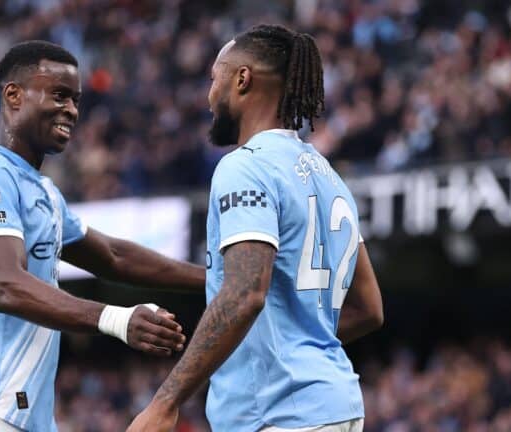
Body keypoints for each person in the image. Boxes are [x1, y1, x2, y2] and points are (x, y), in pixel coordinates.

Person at [0, 40, 205, 432]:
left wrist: (216, 278)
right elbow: (5, 285)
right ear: (13, 95)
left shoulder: (43, 191)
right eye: (59, 95)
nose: (71, 110)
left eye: (75, 99)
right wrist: (117, 319)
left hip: (27, 418)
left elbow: (113, 256)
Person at [128, 24, 384, 432]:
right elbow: (369, 309)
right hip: (337, 405)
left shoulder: (245, 166)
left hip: (281, 415)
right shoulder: (330, 176)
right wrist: (297, 343)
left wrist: (164, 403)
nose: (209, 96)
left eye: (215, 79)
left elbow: (245, 294)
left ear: (242, 79)